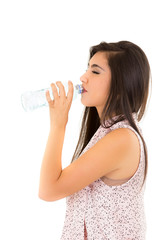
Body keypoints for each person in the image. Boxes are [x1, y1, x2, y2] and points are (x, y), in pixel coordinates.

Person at [38, 41, 151, 240]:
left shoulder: (122, 139)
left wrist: (58, 124)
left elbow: (49, 190)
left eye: (95, 72)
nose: (83, 78)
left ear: (120, 85)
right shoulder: (108, 133)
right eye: (87, 69)